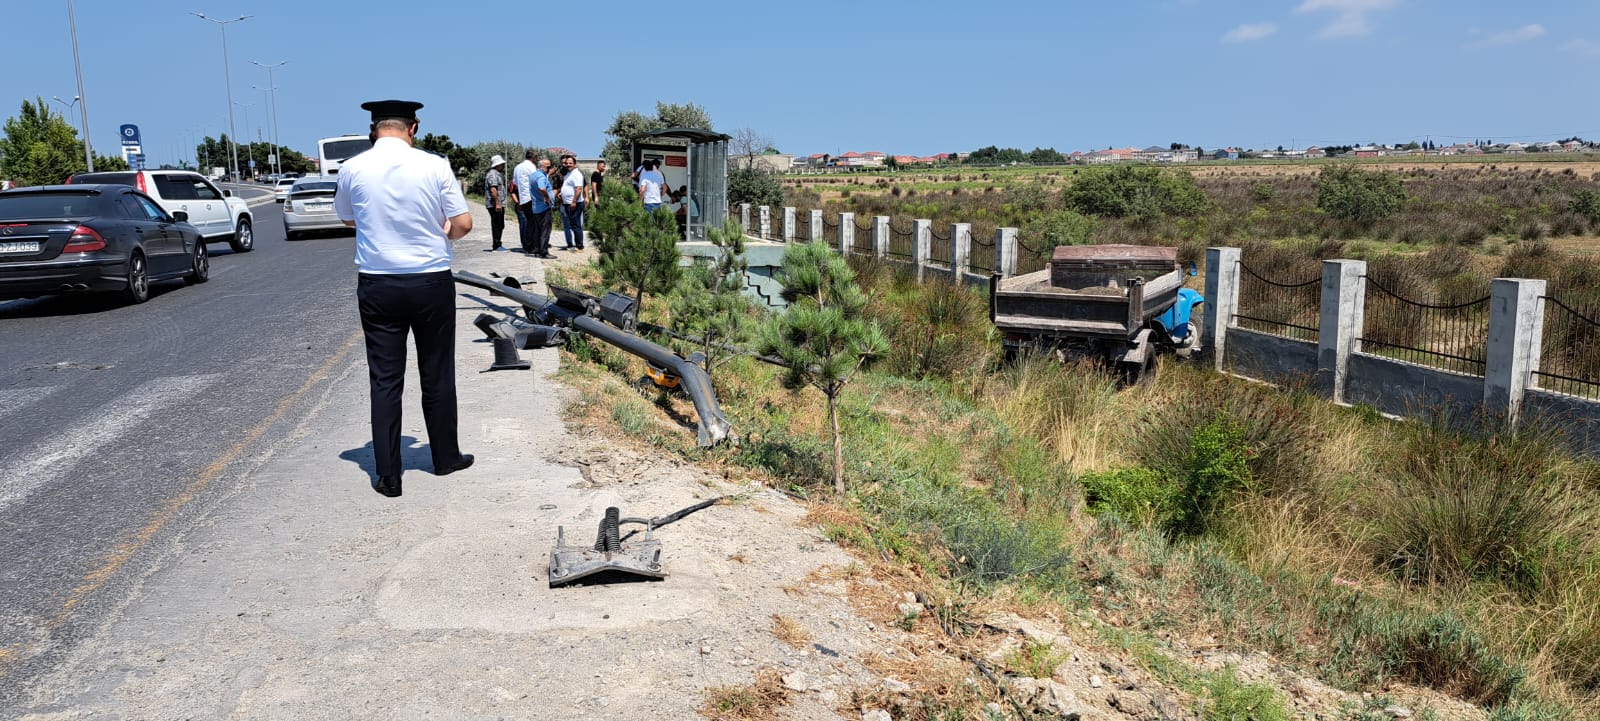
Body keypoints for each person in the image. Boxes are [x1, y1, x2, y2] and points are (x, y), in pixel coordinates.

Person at [334, 99, 475, 498]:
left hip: (378, 283)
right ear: (414, 128)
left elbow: (347, 216)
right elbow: (463, 223)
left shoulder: (352, 167)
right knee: (437, 372)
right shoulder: (435, 165)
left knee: (385, 379)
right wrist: (443, 233)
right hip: (430, 281)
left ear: (373, 129)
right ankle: (445, 458)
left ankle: (388, 475)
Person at [512, 149, 539, 253]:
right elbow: (536, 181)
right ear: (533, 158)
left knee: (527, 223)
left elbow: (515, 183)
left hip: (522, 197)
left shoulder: (517, 167)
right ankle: (532, 246)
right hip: (531, 197)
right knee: (533, 223)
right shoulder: (531, 166)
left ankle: (527, 245)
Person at [528, 157, 556, 259]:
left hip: (536, 207)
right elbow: (542, 188)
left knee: (538, 230)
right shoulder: (541, 177)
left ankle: (537, 250)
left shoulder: (533, 175)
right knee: (545, 231)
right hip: (544, 207)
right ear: (543, 167)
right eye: (548, 167)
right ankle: (544, 252)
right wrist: (547, 198)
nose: (550, 169)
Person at [559, 154, 586, 250]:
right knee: (572, 224)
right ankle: (576, 244)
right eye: (567, 163)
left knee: (576, 224)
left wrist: (574, 201)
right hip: (567, 203)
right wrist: (562, 193)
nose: (568, 165)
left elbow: (579, 189)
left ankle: (579, 246)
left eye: (570, 163)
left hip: (575, 203)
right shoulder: (569, 173)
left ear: (574, 164)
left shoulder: (577, 174)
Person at [484, 155, 508, 251]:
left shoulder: (496, 174)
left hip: (497, 203)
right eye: (502, 164)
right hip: (494, 204)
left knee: (500, 224)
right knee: (497, 224)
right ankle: (496, 245)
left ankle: (498, 243)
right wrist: (498, 203)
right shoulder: (493, 175)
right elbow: (493, 190)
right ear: (497, 165)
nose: (503, 166)